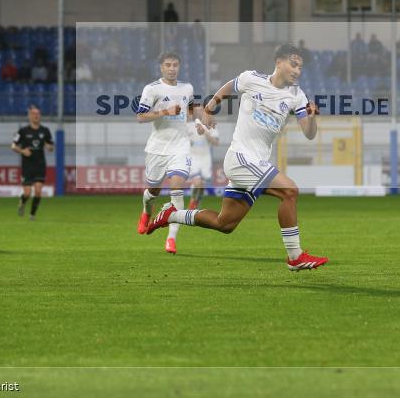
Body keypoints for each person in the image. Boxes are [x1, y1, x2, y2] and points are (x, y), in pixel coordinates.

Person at [146, 43, 328, 271]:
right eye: (293, 63)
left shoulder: (296, 95)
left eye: (300, 66)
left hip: (256, 164)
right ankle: (295, 256)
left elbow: (309, 134)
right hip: (240, 158)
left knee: (225, 223)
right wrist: (210, 108)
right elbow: (230, 86)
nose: (297, 70)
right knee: (289, 191)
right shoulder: (252, 79)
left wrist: (311, 118)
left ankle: (172, 214)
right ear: (279, 62)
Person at [135, 52, 197, 254]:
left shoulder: (187, 88)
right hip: (157, 149)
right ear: (161, 67)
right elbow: (141, 117)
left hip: (180, 147)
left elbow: (190, 110)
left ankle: (171, 239)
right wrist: (164, 112)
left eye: (175, 65)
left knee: (177, 189)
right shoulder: (152, 89)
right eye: (168, 65)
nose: (172, 68)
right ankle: (146, 211)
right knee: (153, 191)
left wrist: (199, 122)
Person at [10, 105, 54, 220]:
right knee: (28, 193)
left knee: (38, 192)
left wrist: (50, 147)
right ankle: (22, 202)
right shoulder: (23, 131)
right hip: (27, 166)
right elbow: (13, 146)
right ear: (29, 116)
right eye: (34, 114)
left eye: (38, 114)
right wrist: (22, 151)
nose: (36, 116)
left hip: (40, 165)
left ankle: (32, 215)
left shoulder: (45, 131)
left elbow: (50, 145)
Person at [187, 119, 219, 210]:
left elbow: (216, 143)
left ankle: (196, 203)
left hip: (206, 158)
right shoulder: (189, 126)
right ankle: (192, 203)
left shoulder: (211, 125)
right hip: (194, 157)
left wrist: (206, 133)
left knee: (201, 186)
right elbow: (183, 140)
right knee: (197, 182)